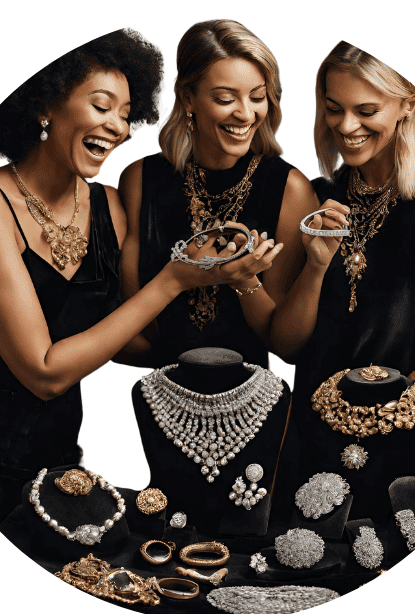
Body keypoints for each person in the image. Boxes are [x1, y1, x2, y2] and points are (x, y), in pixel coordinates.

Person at [0, 29, 275, 529]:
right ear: (45, 105)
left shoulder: (108, 206)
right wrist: (172, 282)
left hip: (57, 465)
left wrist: (229, 282)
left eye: (127, 114)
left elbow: (124, 342)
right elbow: (46, 372)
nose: (118, 128)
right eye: (102, 106)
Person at [271, 41, 415, 522]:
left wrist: (367, 428)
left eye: (366, 110)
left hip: (396, 444)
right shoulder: (317, 198)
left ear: (409, 103)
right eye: (333, 109)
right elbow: (288, 345)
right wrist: (317, 266)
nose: (345, 126)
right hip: (306, 439)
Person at [118, 19, 318, 369]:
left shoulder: (291, 189)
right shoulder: (140, 179)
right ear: (188, 98)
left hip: (256, 405)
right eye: (226, 99)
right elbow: (132, 327)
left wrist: (243, 280)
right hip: (162, 400)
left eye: (257, 97)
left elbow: (286, 344)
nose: (245, 113)